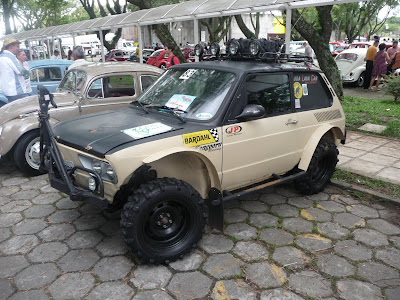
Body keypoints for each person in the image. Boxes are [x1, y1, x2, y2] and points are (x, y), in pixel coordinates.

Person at [0, 38, 29, 102]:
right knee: (27, 109)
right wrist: (21, 64)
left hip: (7, 91)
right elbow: (21, 72)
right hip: (17, 91)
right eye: (17, 46)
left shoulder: (1, 56)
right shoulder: (11, 56)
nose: (18, 49)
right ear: (11, 47)